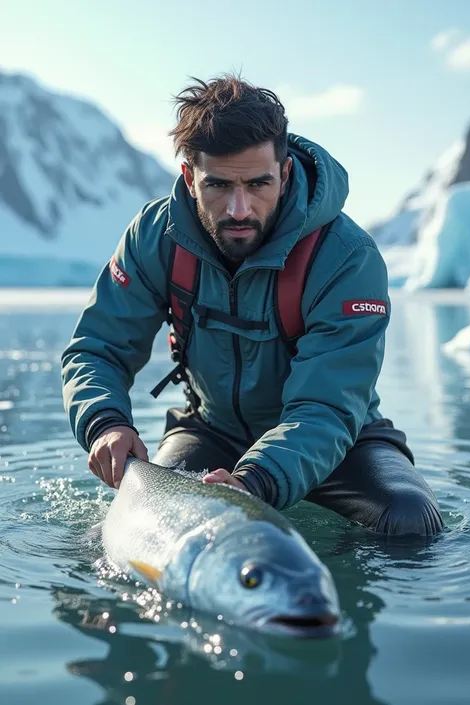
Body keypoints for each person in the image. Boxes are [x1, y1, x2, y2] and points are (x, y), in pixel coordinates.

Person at [61, 75, 443, 537]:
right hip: (210, 431)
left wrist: (252, 481)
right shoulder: (154, 236)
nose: (239, 209)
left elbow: (327, 406)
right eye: (218, 185)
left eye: (258, 183)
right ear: (189, 176)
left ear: (283, 174)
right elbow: (98, 347)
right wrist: (105, 423)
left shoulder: (346, 257)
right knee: (143, 528)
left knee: (411, 521)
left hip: (340, 441)